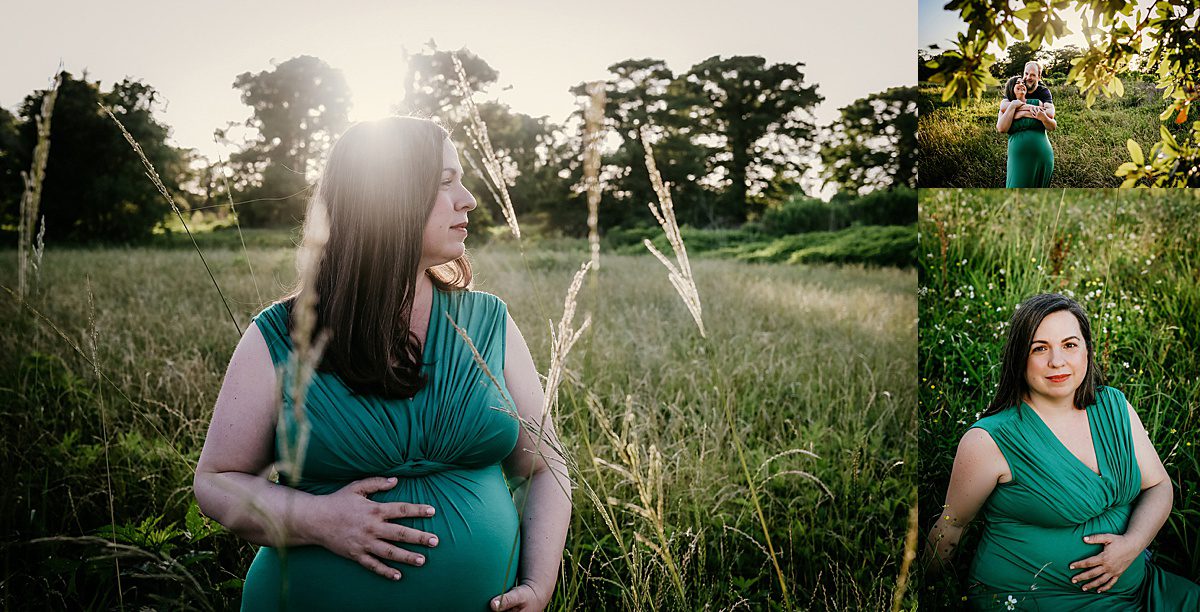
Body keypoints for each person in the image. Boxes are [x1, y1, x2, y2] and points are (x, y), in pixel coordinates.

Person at [193, 116, 571, 611]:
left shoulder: (488, 322)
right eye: (444, 182)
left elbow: (547, 469)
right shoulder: (281, 336)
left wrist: (539, 586)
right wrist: (319, 519)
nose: (469, 199)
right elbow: (217, 481)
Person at [925, 293, 1200, 610]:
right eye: (1039, 348)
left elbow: (1159, 486)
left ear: (1087, 350)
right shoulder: (990, 440)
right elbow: (952, 525)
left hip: (1141, 587)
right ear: (1019, 358)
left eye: (1069, 345)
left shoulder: (1113, 406)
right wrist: (929, 595)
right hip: (1036, 600)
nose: (1057, 361)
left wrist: (1132, 545)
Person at [997, 74, 1056, 187]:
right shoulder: (1007, 107)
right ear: (1011, 88)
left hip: (1043, 155)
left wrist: (1042, 118)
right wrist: (1014, 106)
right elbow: (1001, 128)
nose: (1021, 85)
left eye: (1023, 83)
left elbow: (1053, 125)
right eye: (1017, 83)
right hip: (1019, 158)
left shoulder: (1037, 102)